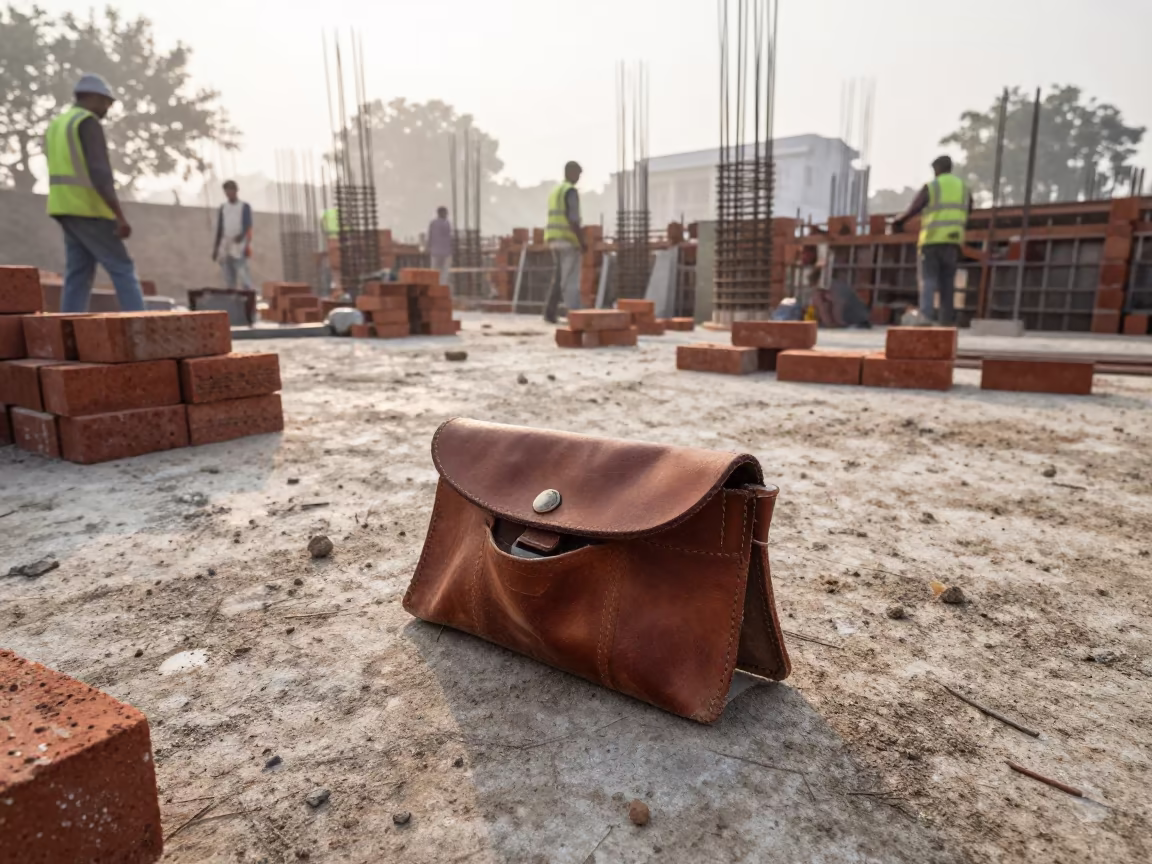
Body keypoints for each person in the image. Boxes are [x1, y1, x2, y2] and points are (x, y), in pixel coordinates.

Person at [45, 73, 145, 314]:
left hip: (64, 208)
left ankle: (68, 331)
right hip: (89, 209)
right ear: (91, 97)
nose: (107, 109)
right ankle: (143, 326)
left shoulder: (58, 125)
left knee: (78, 274)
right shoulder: (86, 122)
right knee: (122, 268)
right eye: (105, 103)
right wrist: (119, 216)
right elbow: (100, 173)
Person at [893, 155, 973, 326]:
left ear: (937, 168)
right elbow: (969, 210)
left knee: (928, 280)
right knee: (947, 283)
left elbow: (914, 208)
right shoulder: (963, 188)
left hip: (932, 240)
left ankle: (926, 317)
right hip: (953, 241)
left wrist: (898, 222)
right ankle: (946, 320)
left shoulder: (933, 186)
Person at [542, 161, 587, 323]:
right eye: (578, 174)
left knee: (559, 277)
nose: (579, 178)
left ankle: (549, 312)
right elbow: (573, 219)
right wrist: (582, 242)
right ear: (571, 172)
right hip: (567, 241)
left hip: (554, 239)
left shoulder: (556, 191)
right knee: (570, 280)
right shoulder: (570, 191)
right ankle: (576, 315)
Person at [212, 180, 254, 290]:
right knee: (229, 278)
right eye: (227, 191)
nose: (229, 193)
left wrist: (241, 236)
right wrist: (216, 249)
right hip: (226, 245)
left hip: (238, 245)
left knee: (244, 276)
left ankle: (249, 300)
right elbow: (220, 229)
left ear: (236, 191)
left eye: (231, 190)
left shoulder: (244, 206)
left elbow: (247, 225)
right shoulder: (223, 208)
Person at [427, 206, 453, 287]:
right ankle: (442, 287)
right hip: (446, 252)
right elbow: (449, 237)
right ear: (443, 213)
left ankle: (433, 287)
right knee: (444, 273)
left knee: (434, 271)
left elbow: (430, 237)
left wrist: (428, 247)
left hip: (435, 252)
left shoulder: (433, 223)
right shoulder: (446, 223)